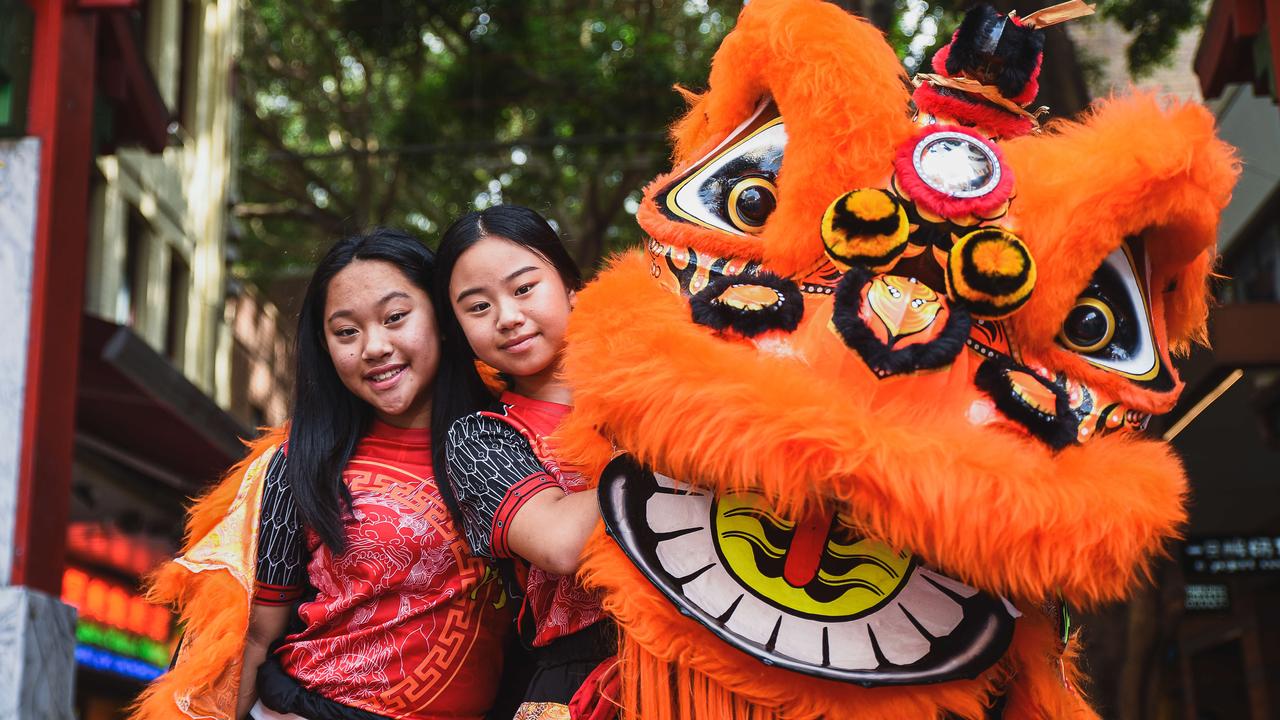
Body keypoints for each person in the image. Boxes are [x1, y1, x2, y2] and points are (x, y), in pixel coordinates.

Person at [132, 228, 509, 720]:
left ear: (442, 317)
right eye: (346, 332)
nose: (374, 346)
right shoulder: (299, 464)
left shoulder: (510, 439)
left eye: (396, 318)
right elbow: (252, 637)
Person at [431, 206, 616, 720]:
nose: (507, 316)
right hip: (586, 679)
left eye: (524, 288)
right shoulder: (479, 438)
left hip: (718, 646)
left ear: (572, 287)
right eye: (477, 306)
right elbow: (560, 543)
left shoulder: (649, 377)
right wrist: (673, 439)